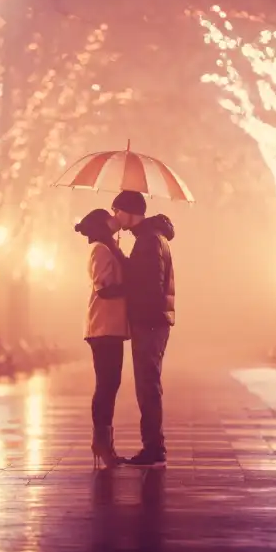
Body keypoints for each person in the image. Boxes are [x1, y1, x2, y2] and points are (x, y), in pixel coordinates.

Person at [111, 190, 175, 468]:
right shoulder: (151, 238)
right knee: (149, 383)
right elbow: (144, 276)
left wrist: (119, 285)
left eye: (117, 211)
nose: (115, 217)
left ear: (129, 212)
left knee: (147, 384)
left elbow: (148, 284)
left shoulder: (148, 240)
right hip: (154, 320)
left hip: (149, 322)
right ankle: (153, 445)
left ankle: (154, 447)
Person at [74, 208, 129, 468]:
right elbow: (104, 289)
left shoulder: (109, 248)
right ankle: (101, 442)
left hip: (111, 327)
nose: (114, 220)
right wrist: (133, 286)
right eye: (109, 218)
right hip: (103, 326)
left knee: (110, 384)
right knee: (106, 385)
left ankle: (104, 442)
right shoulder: (100, 250)